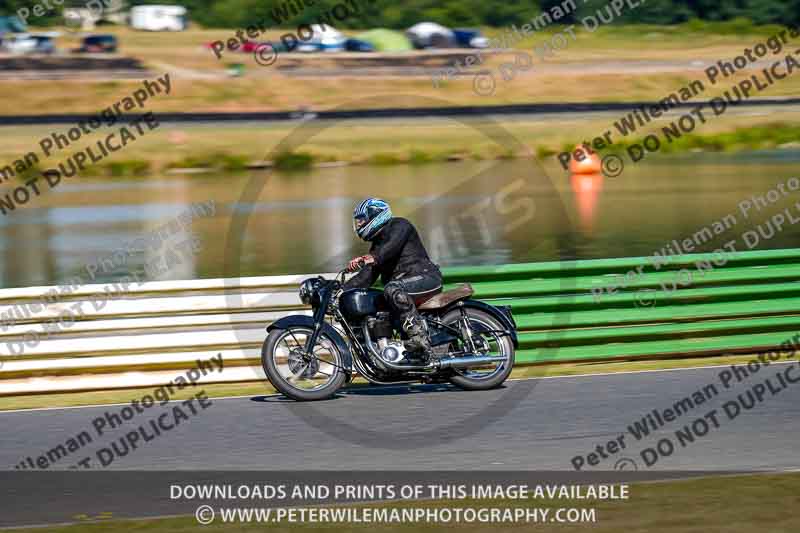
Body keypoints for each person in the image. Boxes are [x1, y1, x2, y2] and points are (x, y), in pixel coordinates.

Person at [343, 198, 443, 352]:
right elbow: (367, 276)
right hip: (405, 285)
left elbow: (390, 247)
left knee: (392, 289)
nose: (359, 224)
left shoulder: (400, 225)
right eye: (358, 221)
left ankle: (418, 336)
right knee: (374, 300)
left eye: (362, 220)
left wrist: (370, 258)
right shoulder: (378, 245)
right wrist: (341, 289)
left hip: (425, 277)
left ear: (375, 215)